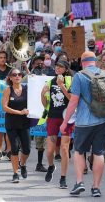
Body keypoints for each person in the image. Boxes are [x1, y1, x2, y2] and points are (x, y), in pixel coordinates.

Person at [61, 51, 105, 197]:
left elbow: (73, 102)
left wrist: (65, 122)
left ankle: (79, 182)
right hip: (103, 120)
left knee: (79, 152)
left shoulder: (79, 76)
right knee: (99, 153)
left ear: (82, 62)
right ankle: (96, 188)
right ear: (94, 61)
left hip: (84, 122)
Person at [40, 59, 73, 189]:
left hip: (67, 118)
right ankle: (51, 166)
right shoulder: (50, 81)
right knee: (49, 151)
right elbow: (45, 104)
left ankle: (63, 178)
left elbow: (71, 98)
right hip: (52, 117)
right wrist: (42, 93)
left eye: (60, 67)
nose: (57, 69)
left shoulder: (71, 80)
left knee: (64, 149)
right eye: (56, 67)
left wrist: (62, 86)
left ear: (65, 69)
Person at [2, 68, 31, 183]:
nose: (17, 76)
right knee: (14, 149)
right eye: (14, 75)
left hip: (24, 123)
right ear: (10, 77)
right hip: (12, 123)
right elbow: (4, 107)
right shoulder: (8, 90)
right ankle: (15, 173)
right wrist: (19, 112)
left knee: (27, 149)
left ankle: (22, 164)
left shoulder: (27, 89)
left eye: (19, 74)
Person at [0, 50, 12, 161]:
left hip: (9, 102)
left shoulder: (10, 70)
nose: (3, 59)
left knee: (8, 128)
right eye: (0, 57)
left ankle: (9, 150)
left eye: (4, 57)